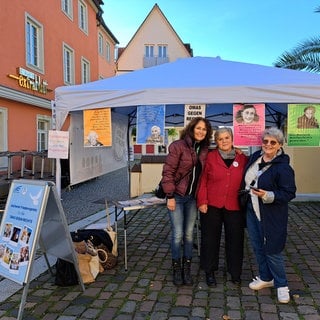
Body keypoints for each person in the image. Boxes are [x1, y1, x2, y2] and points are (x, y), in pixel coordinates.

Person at [243, 127, 296, 304]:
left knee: (272, 248)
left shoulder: (283, 167)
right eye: (265, 141)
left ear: (279, 145)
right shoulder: (255, 157)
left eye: (272, 142)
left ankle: (282, 285)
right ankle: (266, 277)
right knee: (258, 245)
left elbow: (289, 193)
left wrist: (267, 195)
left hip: (271, 213)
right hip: (252, 209)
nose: (268, 144)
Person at [161, 117, 213, 286]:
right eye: (198, 128)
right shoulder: (178, 146)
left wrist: (238, 152)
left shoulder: (205, 149)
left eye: (204, 129)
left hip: (192, 198)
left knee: (189, 235)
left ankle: (187, 269)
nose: (201, 132)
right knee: (177, 235)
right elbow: (168, 172)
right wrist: (169, 196)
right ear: (192, 128)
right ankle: (177, 269)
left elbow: (223, 152)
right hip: (176, 196)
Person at [197, 127, 248, 287]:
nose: (224, 141)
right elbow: (202, 180)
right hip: (212, 204)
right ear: (216, 141)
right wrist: (202, 201)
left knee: (235, 240)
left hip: (235, 206)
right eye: (220, 139)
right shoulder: (210, 158)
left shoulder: (243, 158)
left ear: (232, 139)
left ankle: (235, 272)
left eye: (227, 138)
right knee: (210, 239)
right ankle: (210, 271)